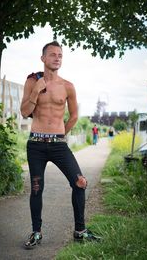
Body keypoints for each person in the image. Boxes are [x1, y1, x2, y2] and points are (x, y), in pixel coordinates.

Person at [20, 41, 101, 249]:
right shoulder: (32, 81)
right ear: (43, 58)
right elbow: (24, 112)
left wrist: (59, 134)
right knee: (37, 189)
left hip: (58, 145)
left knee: (80, 182)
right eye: (53, 54)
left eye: (60, 55)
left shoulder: (67, 86)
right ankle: (36, 233)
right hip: (36, 144)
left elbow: (74, 116)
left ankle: (80, 231)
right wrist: (36, 91)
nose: (57, 58)